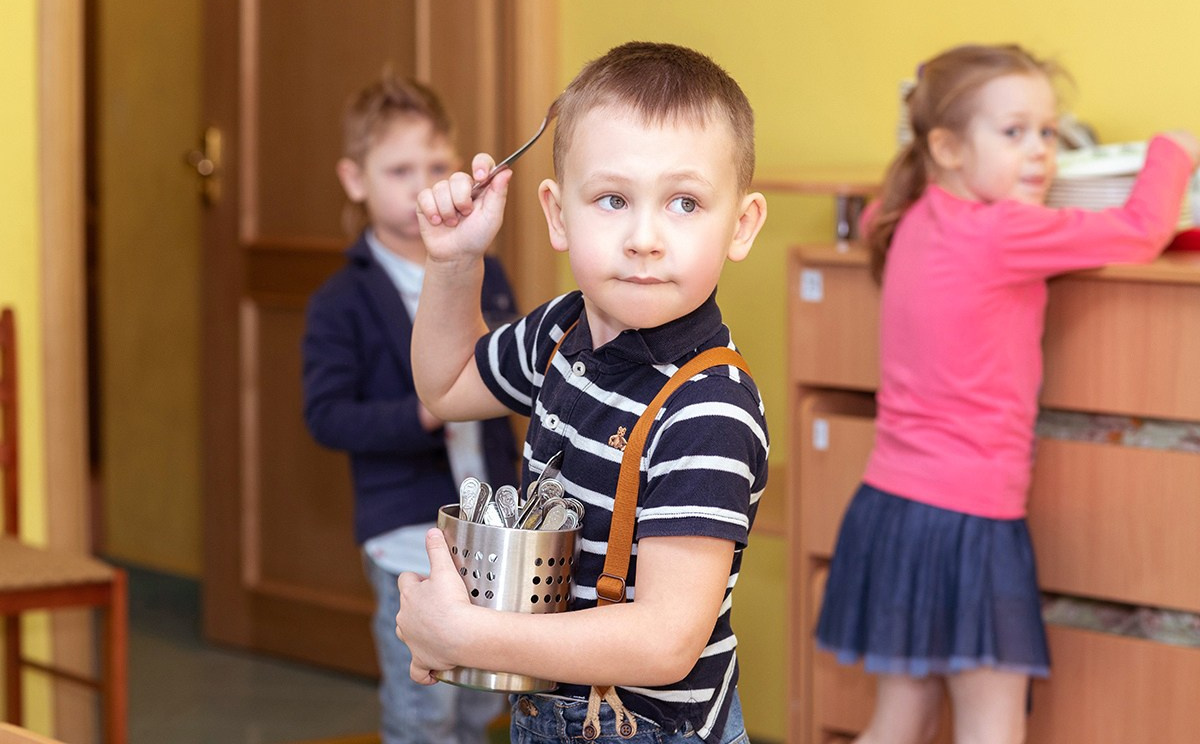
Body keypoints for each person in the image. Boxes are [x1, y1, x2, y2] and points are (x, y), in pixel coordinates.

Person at [814, 43, 1200, 744]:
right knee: (991, 727)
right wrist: (1174, 151)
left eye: (1048, 132)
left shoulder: (906, 221)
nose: (1040, 152)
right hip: (970, 518)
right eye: (1015, 132)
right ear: (947, 147)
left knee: (901, 718)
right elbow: (1143, 232)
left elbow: (870, 217)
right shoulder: (1003, 231)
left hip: (891, 509)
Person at [394, 41, 770, 744]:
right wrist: (453, 263)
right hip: (553, 715)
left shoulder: (709, 408)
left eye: (685, 202)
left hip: (654, 728)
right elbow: (446, 385)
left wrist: (464, 634)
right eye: (612, 199)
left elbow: (664, 641)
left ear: (741, 225)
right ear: (559, 214)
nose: (645, 238)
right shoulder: (560, 332)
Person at [302, 71, 519, 744]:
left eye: (435, 165)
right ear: (354, 179)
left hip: (493, 527)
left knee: (484, 692)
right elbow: (328, 414)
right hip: (404, 529)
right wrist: (428, 408)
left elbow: (507, 372)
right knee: (423, 699)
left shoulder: (485, 269)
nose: (421, 183)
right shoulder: (341, 300)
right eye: (399, 169)